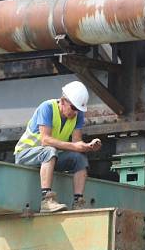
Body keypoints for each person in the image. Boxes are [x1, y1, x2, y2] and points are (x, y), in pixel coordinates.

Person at [14, 81, 102, 213]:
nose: (75, 112)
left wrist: (88, 146)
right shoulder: (47, 107)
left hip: (50, 157)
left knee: (79, 158)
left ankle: (78, 202)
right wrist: (75, 146)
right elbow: (45, 140)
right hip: (26, 155)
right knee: (49, 150)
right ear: (63, 101)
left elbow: (76, 143)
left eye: (78, 109)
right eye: (73, 108)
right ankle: (46, 200)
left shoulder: (77, 115)